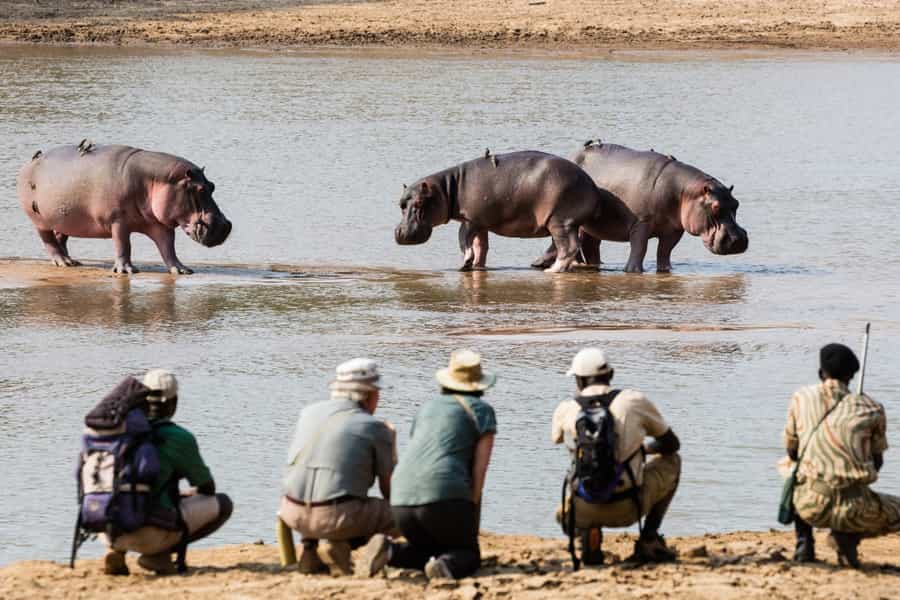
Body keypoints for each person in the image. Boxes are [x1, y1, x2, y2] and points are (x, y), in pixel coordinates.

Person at [356, 349, 497, 580]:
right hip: (443, 498)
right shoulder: (482, 411)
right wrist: (469, 511)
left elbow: (418, 454)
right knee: (468, 554)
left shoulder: (427, 408)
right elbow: (479, 471)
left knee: (427, 551)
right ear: (479, 385)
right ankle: (446, 566)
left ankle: (391, 551)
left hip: (401, 500)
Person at [551, 347, 681, 564]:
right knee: (674, 461)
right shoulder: (633, 401)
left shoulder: (566, 408)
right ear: (610, 375)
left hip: (579, 512)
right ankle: (648, 538)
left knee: (562, 511)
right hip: (629, 508)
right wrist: (643, 449)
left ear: (578, 381)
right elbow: (672, 444)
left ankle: (588, 535)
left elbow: (555, 438)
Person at [103, 369, 233, 576]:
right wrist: (185, 493)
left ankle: (115, 550)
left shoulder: (117, 428)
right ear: (174, 403)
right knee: (224, 503)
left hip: (107, 528)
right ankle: (157, 556)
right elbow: (207, 487)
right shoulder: (178, 437)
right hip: (149, 533)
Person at [784, 343, 900, 568]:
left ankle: (804, 541)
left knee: (789, 466)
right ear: (851, 376)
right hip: (855, 509)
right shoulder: (872, 408)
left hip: (809, 504)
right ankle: (848, 537)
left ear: (821, 373)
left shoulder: (801, 398)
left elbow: (792, 450)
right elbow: (877, 464)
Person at [279, 358, 397, 575]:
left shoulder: (308, 412)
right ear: (369, 394)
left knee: (319, 485)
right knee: (404, 514)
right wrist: (392, 444)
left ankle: (310, 549)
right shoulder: (375, 428)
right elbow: (391, 491)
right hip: (334, 519)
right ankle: (341, 545)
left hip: (290, 512)